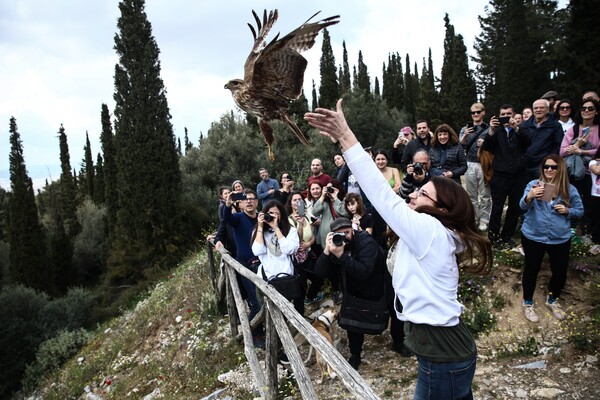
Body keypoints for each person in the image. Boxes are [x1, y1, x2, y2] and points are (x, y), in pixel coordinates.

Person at [306, 99, 493, 399]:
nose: (415, 194)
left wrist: (346, 137)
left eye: (424, 194)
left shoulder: (429, 231)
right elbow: (401, 195)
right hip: (446, 352)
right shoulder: (434, 232)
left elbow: (382, 195)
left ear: (442, 210)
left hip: (442, 355)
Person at [315, 217, 387, 370]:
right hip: (351, 290)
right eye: (339, 234)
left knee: (389, 314)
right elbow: (320, 273)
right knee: (352, 323)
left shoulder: (367, 243)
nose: (344, 237)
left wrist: (341, 256)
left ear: (352, 230)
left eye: (346, 233)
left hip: (375, 285)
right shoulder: (335, 246)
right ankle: (355, 354)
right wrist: (327, 251)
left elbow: (364, 272)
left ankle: (399, 342)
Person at [519, 155, 583, 323]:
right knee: (531, 270)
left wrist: (568, 211)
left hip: (559, 238)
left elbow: (580, 210)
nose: (549, 169)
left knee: (560, 271)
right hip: (533, 235)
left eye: (553, 167)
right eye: (546, 166)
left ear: (560, 169)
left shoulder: (570, 190)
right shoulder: (533, 185)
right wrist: (530, 196)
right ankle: (528, 303)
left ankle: (553, 300)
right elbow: (522, 206)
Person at [482, 104, 531, 249]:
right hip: (500, 175)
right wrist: (491, 130)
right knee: (497, 207)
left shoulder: (520, 130)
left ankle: (507, 235)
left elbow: (528, 142)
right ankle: (494, 236)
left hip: (518, 175)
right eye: (502, 114)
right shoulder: (496, 131)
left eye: (508, 114)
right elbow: (486, 147)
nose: (505, 116)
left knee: (514, 207)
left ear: (513, 114)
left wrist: (516, 128)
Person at [220, 189, 263, 346]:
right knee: (256, 302)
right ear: (241, 203)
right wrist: (227, 205)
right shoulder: (237, 218)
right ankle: (253, 333)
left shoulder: (261, 219)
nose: (250, 201)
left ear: (257, 202)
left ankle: (259, 329)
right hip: (246, 266)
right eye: (246, 200)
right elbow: (226, 218)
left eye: (252, 199)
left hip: (263, 265)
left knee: (264, 299)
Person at [560, 98, 600, 236]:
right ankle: (570, 231)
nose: (586, 111)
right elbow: (562, 151)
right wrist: (578, 145)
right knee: (572, 200)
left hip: (594, 173)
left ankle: (586, 232)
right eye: (584, 109)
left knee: (591, 203)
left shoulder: (598, 130)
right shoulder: (574, 129)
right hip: (574, 171)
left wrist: (582, 151)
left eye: (590, 109)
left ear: (596, 112)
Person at [251, 200, 301, 312]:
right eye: (270, 213)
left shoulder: (291, 230)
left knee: (285, 310)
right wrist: (260, 226)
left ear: (282, 215)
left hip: (286, 277)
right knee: (269, 312)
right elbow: (257, 251)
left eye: (276, 213)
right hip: (266, 278)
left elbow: (289, 250)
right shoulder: (259, 231)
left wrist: (276, 228)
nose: (273, 216)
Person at [286, 192, 324, 308]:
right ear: (291, 203)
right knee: (301, 286)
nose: (298, 202)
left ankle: (310, 297)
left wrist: (309, 244)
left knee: (319, 277)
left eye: (300, 200)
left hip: (309, 255)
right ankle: (299, 312)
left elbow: (312, 235)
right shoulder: (288, 221)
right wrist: (300, 225)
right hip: (298, 261)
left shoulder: (307, 216)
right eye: (295, 200)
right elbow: (297, 240)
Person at [312, 181, 348, 303]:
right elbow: (315, 211)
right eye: (327, 188)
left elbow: (344, 212)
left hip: (342, 241)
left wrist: (336, 198)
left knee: (342, 267)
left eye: (331, 188)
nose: (329, 190)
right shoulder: (325, 203)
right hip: (326, 241)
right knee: (332, 269)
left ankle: (346, 290)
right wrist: (322, 196)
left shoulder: (342, 201)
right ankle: (336, 290)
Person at [460, 103, 491, 231]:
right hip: (469, 164)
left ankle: (484, 220)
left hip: (484, 163)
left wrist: (485, 143)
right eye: (473, 113)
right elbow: (460, 146)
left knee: (485, 194)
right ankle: (474, 218)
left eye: (478, 112)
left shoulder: (489, 128)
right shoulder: (465, 129)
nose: (475, 115)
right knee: (471, 195)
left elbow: (494, 147)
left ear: (483, 112)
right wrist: (466, 135)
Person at [521, 99, 563, 180]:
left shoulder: (555, 126)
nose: (538, 110)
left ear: (547, 109)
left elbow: (558, 145)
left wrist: (549, 161)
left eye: (541, 108)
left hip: (543, 166)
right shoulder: (525, 126)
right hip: (525, 165)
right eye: (536, 108)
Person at [589, 148, 600, 253]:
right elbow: (597, 170)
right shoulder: (593, 162)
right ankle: (595, 243)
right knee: (596, 220)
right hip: (596, 195)